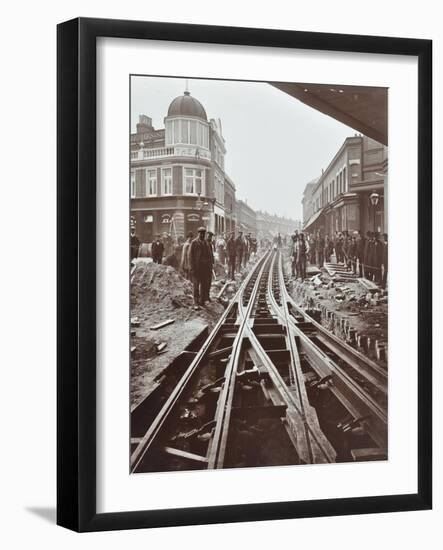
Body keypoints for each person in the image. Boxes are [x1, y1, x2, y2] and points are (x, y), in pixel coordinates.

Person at [189, 227, 213, 307]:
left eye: (203, 233)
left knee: (203, 285)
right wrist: (192, 268)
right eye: (200, 233)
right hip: (196, 268)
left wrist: (210, 265)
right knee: (196, 286)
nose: (202, 235)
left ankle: (202, 301)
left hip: (205, 269)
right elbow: (191, 257)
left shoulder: (206, 243)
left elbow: (209, 255)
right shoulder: (194, 243)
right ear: (198, 233)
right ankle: (196, 302)